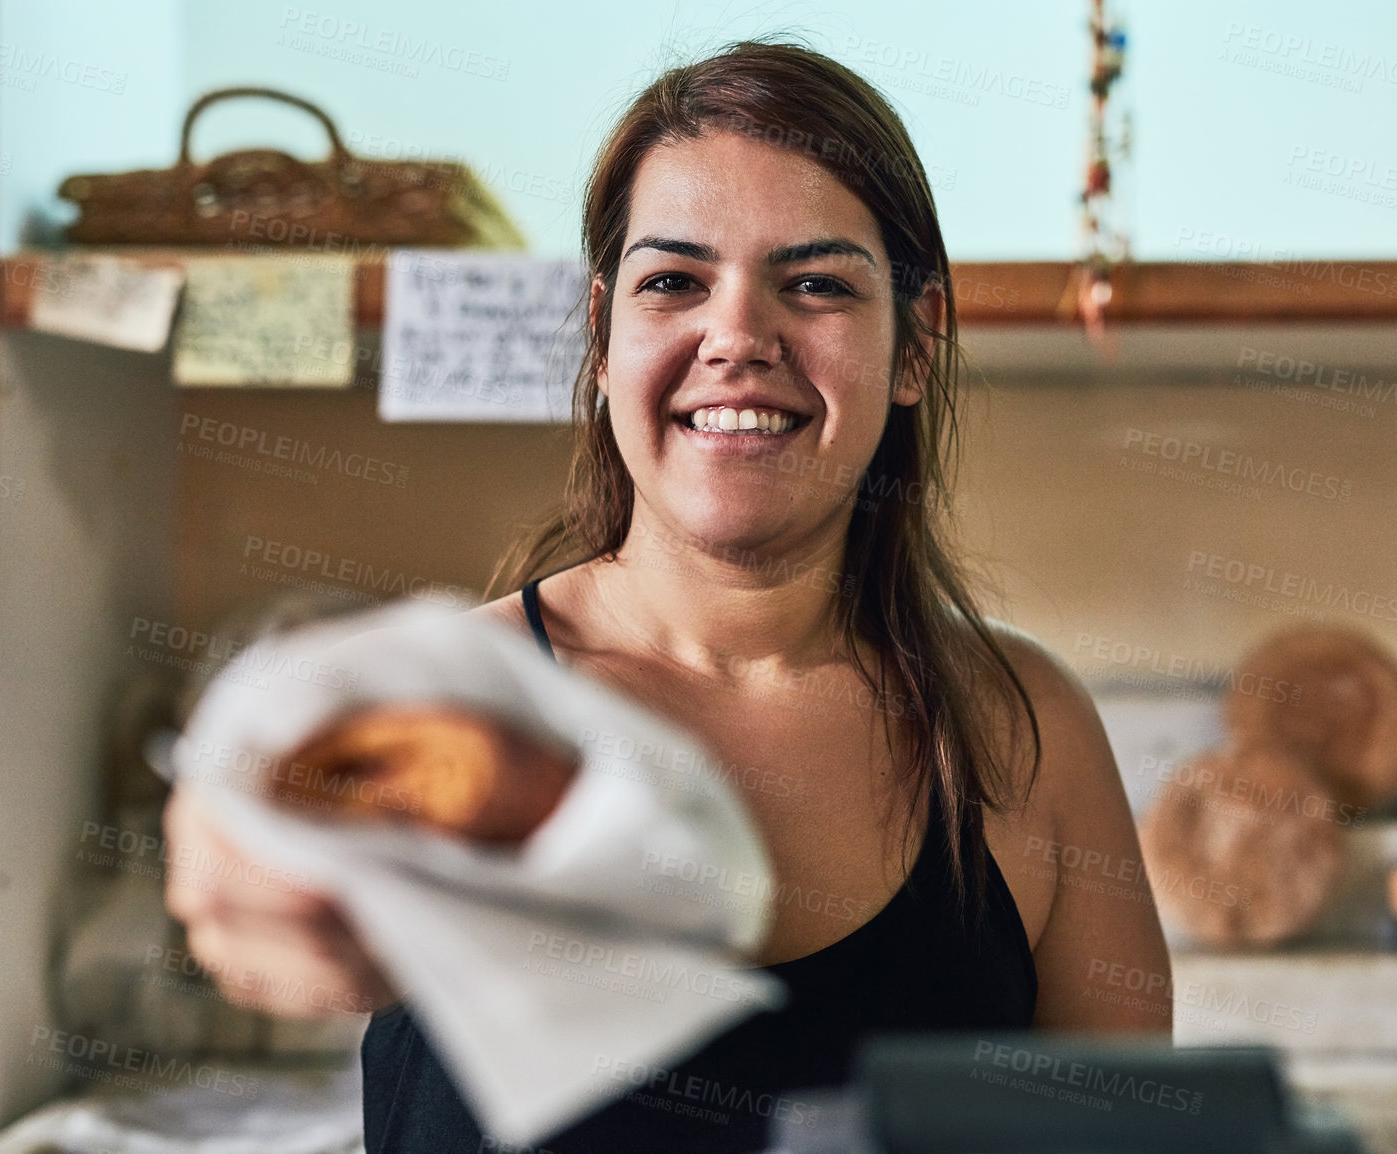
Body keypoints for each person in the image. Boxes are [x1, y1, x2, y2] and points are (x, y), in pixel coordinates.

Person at [165, 38, 1170, 1153]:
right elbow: (255, 814)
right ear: (602, 336)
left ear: (915, 345)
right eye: (673, 282)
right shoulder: (460, 700)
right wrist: (240, 831)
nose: (736, 335)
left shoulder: (1023, 728)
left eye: (818, 284)